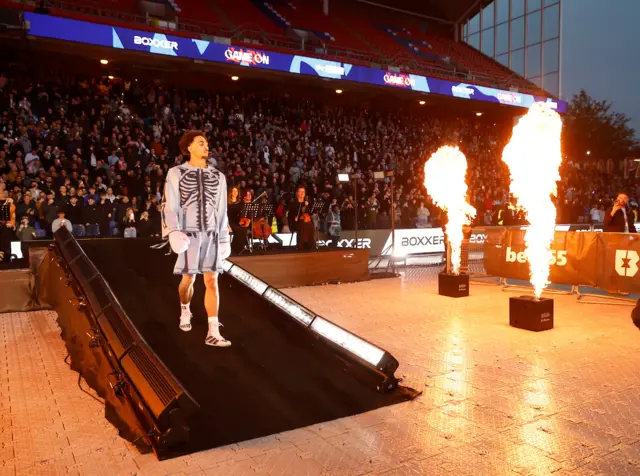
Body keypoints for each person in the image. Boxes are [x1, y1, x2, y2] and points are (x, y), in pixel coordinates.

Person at [161, 130, 231, 347]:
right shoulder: (175, 173)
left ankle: (212, 330)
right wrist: (173, 230)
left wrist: (224, 237)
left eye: (207, 143)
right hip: (188, 234)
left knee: (212, 280)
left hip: (211, 234)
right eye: (201, 143)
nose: (206, 146)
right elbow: (169, 204)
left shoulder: (219, 177)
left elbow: (222, 209)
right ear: (189, 147)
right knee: (188, 280)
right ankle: (184, 308)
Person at [0, 190, 16, 261]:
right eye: (3, 193)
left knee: (6, 232)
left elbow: (13, 216)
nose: (4, 194)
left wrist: (12, 224)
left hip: (6, 225)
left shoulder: (11, 204)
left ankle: (4, 254)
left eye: (6, 193)